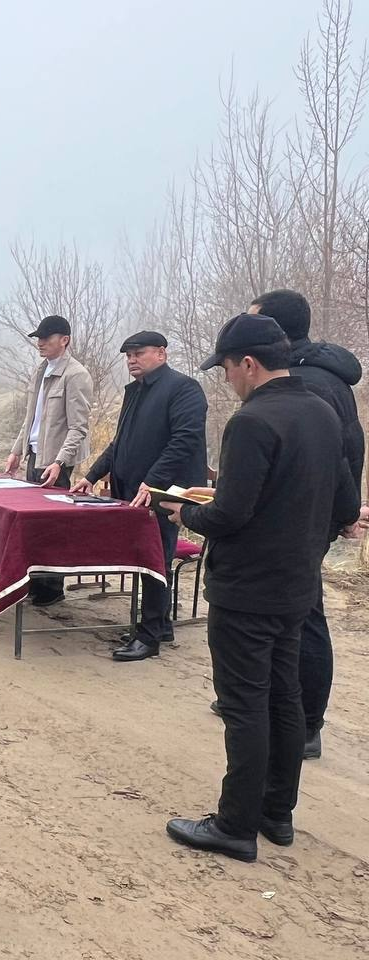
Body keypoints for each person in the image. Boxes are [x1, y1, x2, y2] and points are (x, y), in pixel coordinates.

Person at [163, 313, 360, 863]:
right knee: (284, 697)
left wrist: (185, 513)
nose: (227, 380)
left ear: (248, 363)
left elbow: (230, 515)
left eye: (227, 369)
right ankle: (276, 813)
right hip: (297, 583)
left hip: (247, 588)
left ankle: (234, 825)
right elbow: (346, 503)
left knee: (245, 704)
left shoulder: (252, 422)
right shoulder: (323, 411)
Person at [247, 289, 367, 759]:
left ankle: (307, 723)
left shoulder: (309, 382)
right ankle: (276, 708)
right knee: (292, 610)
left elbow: (333, 456)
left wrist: (342, 512)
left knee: (305, 616)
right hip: (313, 512)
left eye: (254, 321)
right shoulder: (320, 375)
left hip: (300, 517)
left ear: (275, 330)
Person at [71, 331, 207, 662]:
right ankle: (160, 626)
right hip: (133, 491)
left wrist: (152, 482)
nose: (132, 360)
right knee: (145, 558)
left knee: (154, 560)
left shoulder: (183, 388)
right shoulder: (135, 391)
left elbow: (184, 440)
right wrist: (92, 475)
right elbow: (120, 443)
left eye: (138, 353)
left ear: (161, 353)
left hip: (164, 493)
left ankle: (149, 636)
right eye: (128, 355)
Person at [5, 314, 94, 606]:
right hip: (35, 456)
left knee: (53, 527)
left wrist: (60, 462)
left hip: (56, 464)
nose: (40, 343)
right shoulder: (41, 371)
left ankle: (52, 589)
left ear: (64, 340)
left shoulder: (76, 375)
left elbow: (78, 427)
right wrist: (17, 451)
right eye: (38, 338)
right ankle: (33, 584)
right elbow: (30, 419)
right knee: (32, 525)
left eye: (46, 338)